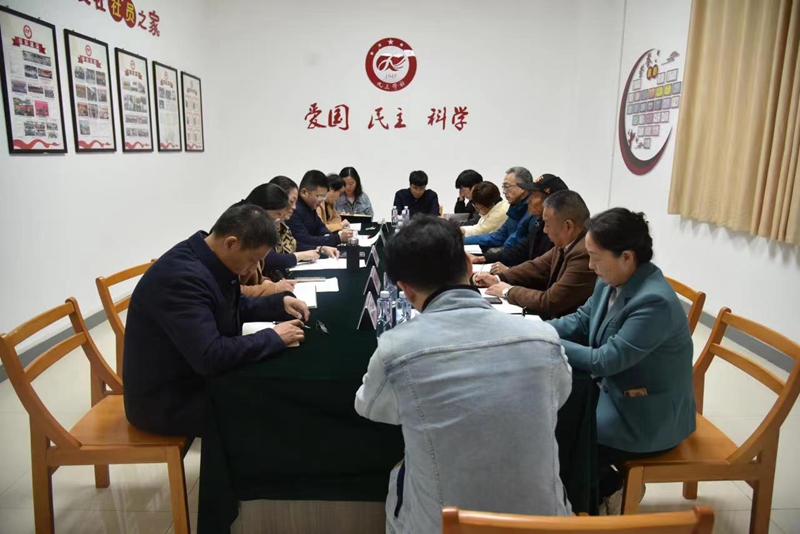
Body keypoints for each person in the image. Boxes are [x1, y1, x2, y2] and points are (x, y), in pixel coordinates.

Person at [355, 215, 573, 534]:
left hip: (444, 526)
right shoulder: (543, 338)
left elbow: (369, 407)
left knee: (402, 477)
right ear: (469, 265)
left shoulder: (395, 350)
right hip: (543, 524)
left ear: (405, 290)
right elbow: (560, 396)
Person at [548, 208, 696, 515]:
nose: (590, 266)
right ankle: (597, 492)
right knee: (550, 421)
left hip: (644, 416)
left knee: (564, 439)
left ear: (626, 257)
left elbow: (606, 360)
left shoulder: (654, 302)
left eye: (595, 257)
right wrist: (535, 327)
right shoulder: (610, 280)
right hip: (612, 395)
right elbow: (582, 320)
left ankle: (606, 492)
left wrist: (544, 338)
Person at [123, 204, 309, 437]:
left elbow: (229, 305)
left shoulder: (208, 258)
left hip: (192, 379)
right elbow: (210, 356)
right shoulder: (182, 279)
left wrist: (278, 305)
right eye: (253, 260)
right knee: (275, 407)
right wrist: (273, 337)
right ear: (231, 243)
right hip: (169, 402)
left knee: (275, 388)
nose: (251, 270)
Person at [474, 190, 596, 320]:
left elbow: (550, 301)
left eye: (548, 224)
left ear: (568, 226)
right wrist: (498, 278)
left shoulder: (584, 253)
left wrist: (508, 291)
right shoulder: (567, 243)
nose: (544, 230)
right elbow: (536, 266)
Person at [472, 174, 567, 270]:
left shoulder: (557, 233)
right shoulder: (539, 222)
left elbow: (543, 269)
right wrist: (483, 258)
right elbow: (521, 250)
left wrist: (509, 271)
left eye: (534, 195)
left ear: (550, 202)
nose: (529, 200)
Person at [261, 176, 334, 278]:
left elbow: (294, 245)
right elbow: (269, 259)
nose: (294, 207)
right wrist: (302, 256)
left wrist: (320, 249)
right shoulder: (262, 226)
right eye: (291, 202)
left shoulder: (282, 224)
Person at [236, 184, 297, 297]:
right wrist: (272, 288)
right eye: (274, 218)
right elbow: (231, 291)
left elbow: (256, 274)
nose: (277, 224)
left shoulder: (256, 230)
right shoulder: (239, 231)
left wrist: (267, 283)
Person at [464, 166, 534, 251]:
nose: (504, 192)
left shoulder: (532, 213)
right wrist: (462, 240)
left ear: (522, 188)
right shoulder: (515, 208)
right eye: (503, 187)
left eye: (507, 187)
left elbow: (515, 245)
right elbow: (498, 237)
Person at [286, 170, 353, 251]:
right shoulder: (293, 210)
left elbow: (321, 227)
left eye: (323, 197)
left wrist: (328, 235)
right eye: (319, 196)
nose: (321, 200)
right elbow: (305, 240)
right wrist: (336, 238)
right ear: (304, 192)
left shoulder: (310, 206)